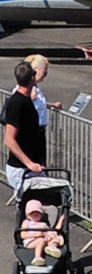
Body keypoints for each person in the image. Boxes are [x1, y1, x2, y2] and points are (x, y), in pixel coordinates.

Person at [5, 61, 44, 197]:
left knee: (40, 205)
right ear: (32, 78)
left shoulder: (26, 100)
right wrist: (29, 164)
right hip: (22, 169)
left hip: (30, 166)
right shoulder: (17, 103)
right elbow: (9, 139)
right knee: (32, 207)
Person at [18, 198, 63, 265]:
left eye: (38, 212)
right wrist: (36, 235)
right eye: (32, 213)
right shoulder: (27, 223)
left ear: (42, 215)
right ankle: (37, 257)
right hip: (31, 242)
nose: (35, 214)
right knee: (41, 240)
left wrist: (61, 220)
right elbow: (23, 235)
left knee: (55, 236)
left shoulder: (43, 224)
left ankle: (52, 247)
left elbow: (54, 230)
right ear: (28, 215)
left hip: (45, 240)